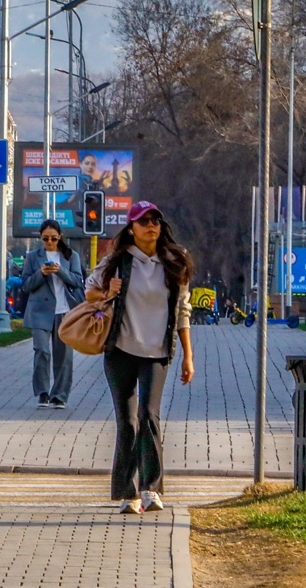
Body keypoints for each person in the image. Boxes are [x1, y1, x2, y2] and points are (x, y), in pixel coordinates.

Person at [85, 200, 194, 515]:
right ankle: (127, 493)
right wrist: (109, 291)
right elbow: (89, 292)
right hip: (120, 351)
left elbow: (183, 312)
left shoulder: (174, 263)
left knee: (148, 416)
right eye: (143, 221)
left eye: (155, 220)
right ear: (131, 228)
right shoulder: (117, 261)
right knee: (127, 422)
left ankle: (151, 489)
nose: (150, 226)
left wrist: (188, 357)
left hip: (156, 353)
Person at [21, 219, 85, 410]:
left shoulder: (70, 256)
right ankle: (42, 392)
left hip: (64, 311)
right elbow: (25, 285)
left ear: (60, 237)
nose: (49, 242)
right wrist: (42, 273)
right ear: (41, 238)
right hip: (39, 311)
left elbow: (78, 281)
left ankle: (59, 395)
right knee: (42, 351)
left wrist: (60, 271)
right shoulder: (33, 257)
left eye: (53, 238)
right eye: (45, 238)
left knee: (64, 356)